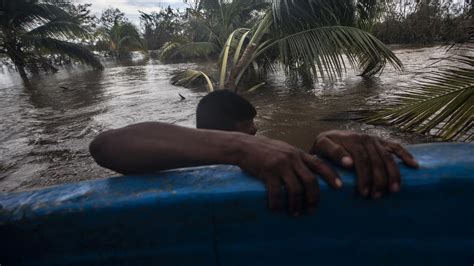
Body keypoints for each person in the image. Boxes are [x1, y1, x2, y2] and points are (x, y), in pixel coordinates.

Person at [90, 90, 419, 216]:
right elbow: (104, 146)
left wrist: (325, 143)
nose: (259, 141)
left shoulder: (270, 159)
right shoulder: (176, 160)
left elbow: (289, 162)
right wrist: (240, 148)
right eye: (250, 134)